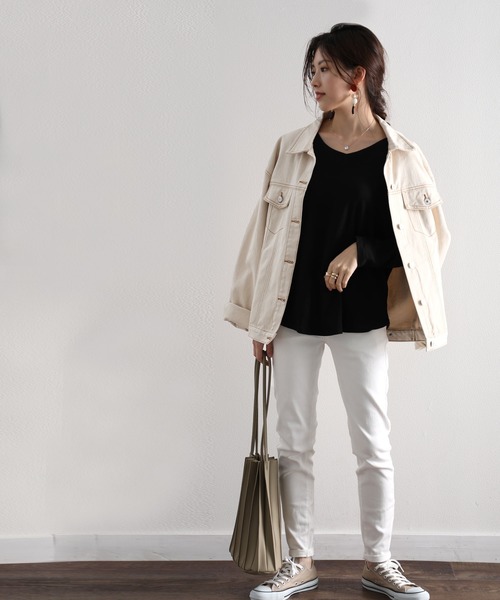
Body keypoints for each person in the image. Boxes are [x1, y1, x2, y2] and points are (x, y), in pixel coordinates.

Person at [224, 23, 450, 600]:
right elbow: (264, 238)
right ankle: (299, 561)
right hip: (295, 313)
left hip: (362, 316)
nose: (315, 82)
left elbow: (425, 240)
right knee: (294, 441)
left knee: (372, 443)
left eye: (326, 69)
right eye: (313, 70)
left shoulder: (400, 156)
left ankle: (380, 561)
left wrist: (361, 251)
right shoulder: (292, 148)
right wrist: (258, 320)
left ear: (358, 76)